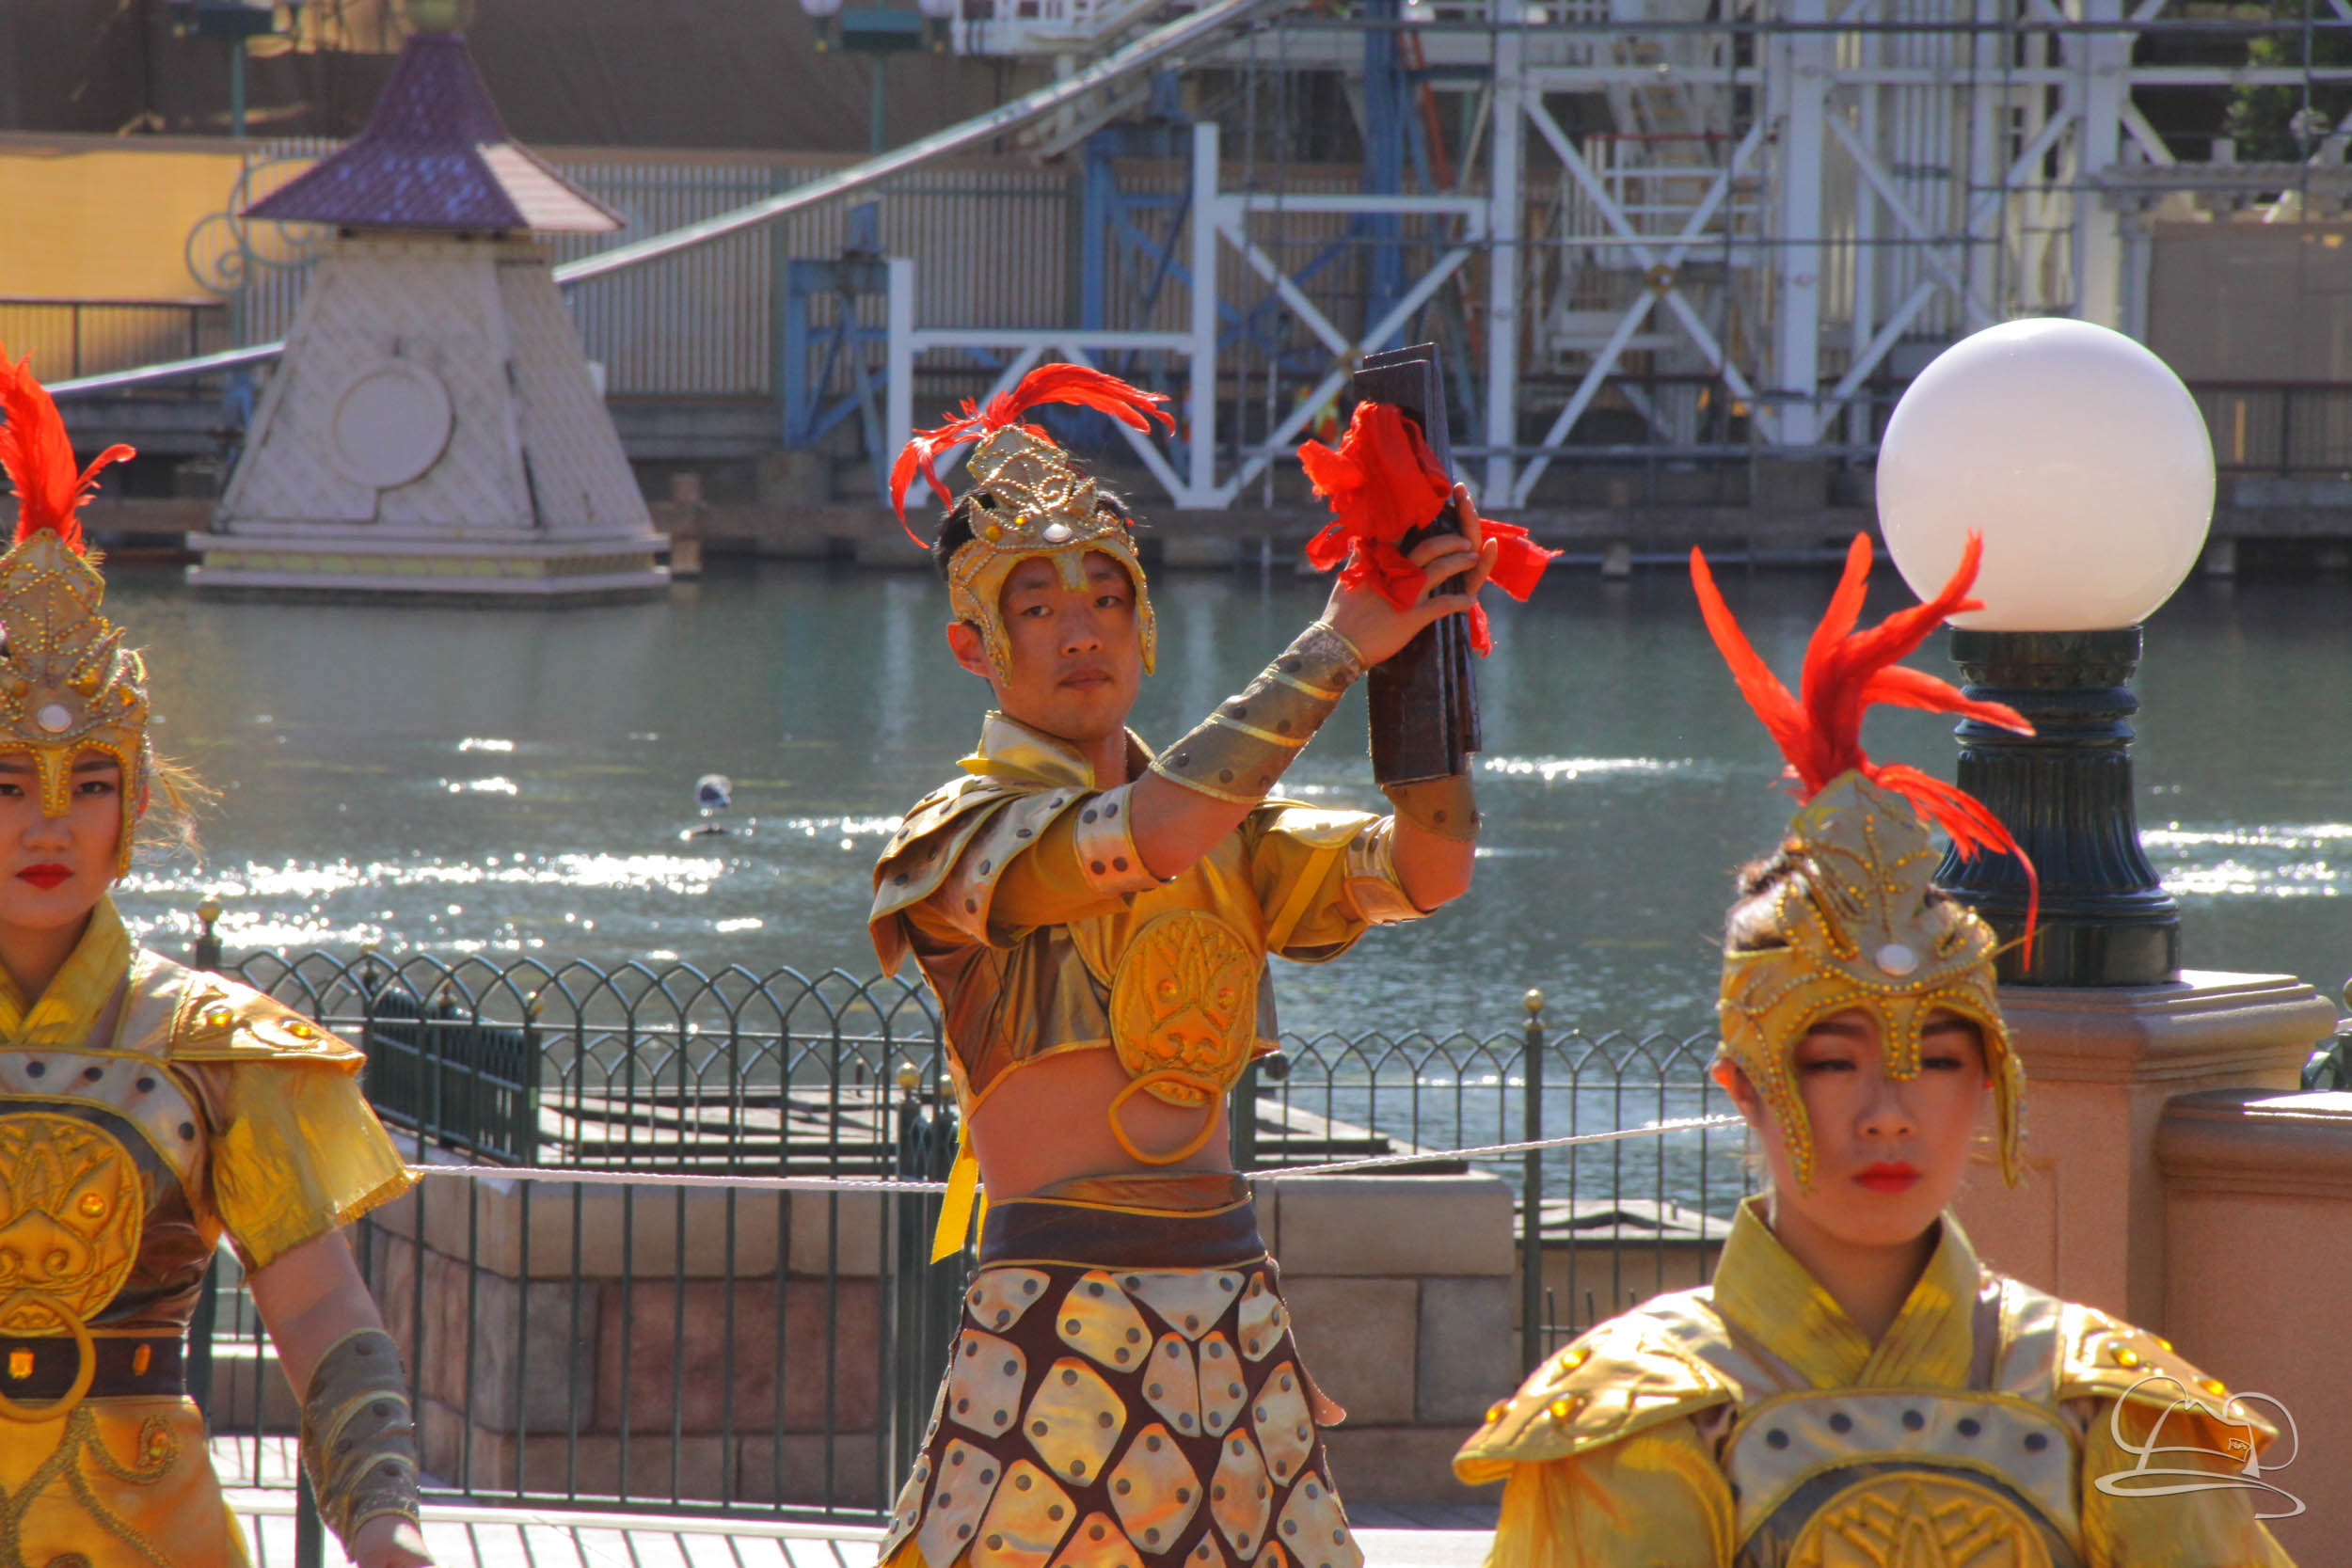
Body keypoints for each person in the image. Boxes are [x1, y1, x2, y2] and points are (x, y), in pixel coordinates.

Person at [1453, 533, 2297, 1568]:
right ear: (1742, 1086)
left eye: (1935, 1062)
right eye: (1831, 1061)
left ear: (1987, 1083)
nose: (1889, 1112)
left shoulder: (2113, 1407)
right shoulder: (1636, 1416)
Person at [868, 365, 1531, 1568]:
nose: (1081, 629)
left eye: (1106, 598)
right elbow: (1150, 833)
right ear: (973, 646)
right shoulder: (955, 836)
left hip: (1231, 1309)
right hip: (1056, 1312)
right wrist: (1337, 643)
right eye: (1035, 605)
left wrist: (1417, 646)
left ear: (1145, 625)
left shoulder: (1230, 835)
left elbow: (1428, 867)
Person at [0, 354, 431, 1567]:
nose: (49, 824)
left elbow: (320, 1304)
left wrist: (383, 1521)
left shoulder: (208, 1045)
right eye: (8, 784)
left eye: (88, 783)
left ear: (131, 806)